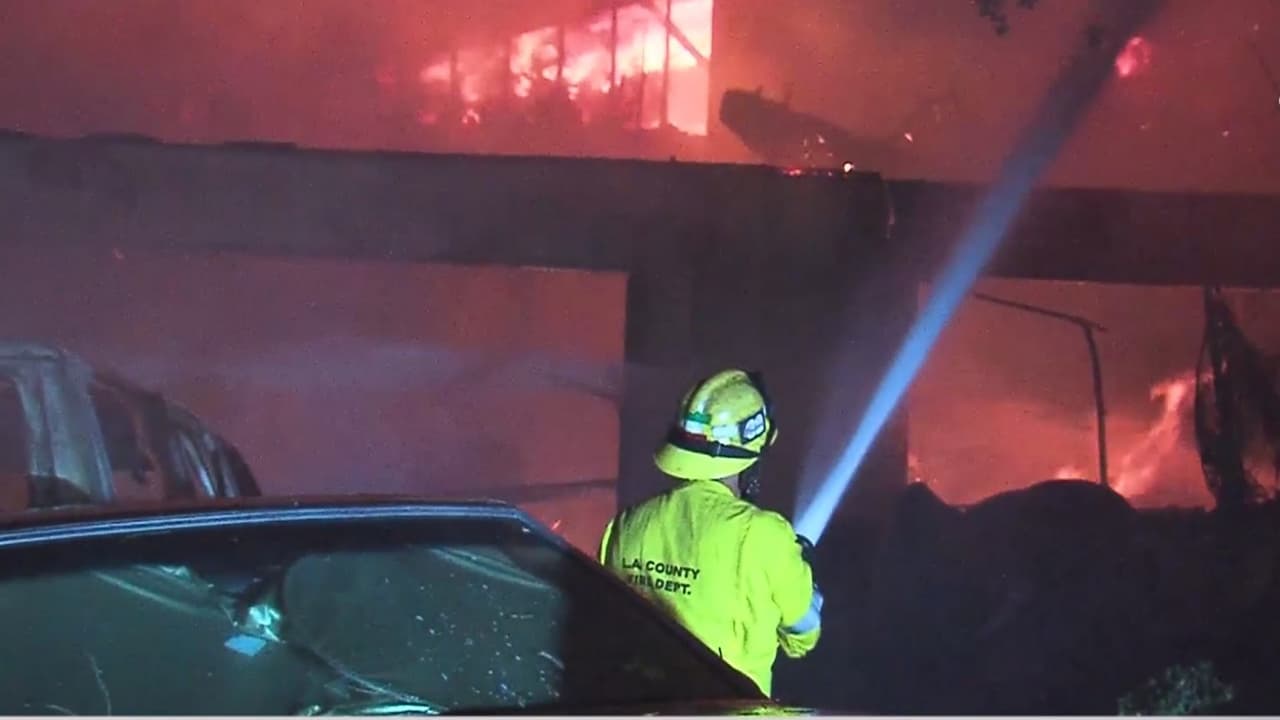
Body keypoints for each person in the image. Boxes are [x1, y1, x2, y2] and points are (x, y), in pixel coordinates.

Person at [597, 368, 822, 696]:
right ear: (753, 456)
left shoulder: (626, 526)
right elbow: (804, 636)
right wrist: (803, 579)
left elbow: (609, 626)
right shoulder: (764, 535)